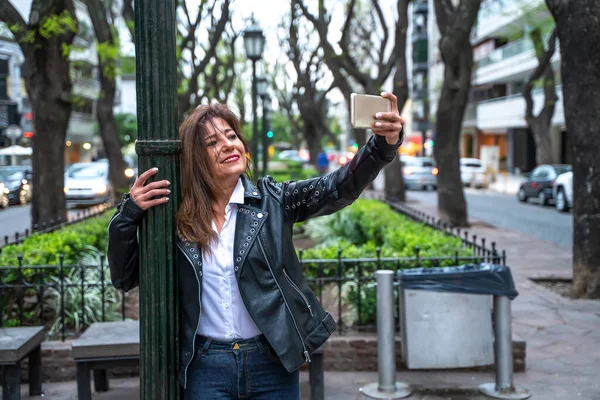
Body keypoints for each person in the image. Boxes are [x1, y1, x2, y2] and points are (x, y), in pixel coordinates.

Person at [107, 92, 404, 399]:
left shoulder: (273, 200)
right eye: (212, 143)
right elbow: (125, 277)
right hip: (205, 366)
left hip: (270, 362)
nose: (227, 145)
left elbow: (338, 186)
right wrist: (129, 213)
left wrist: (381, 145)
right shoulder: (176, 216)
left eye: (231, 136)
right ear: (195, 159)